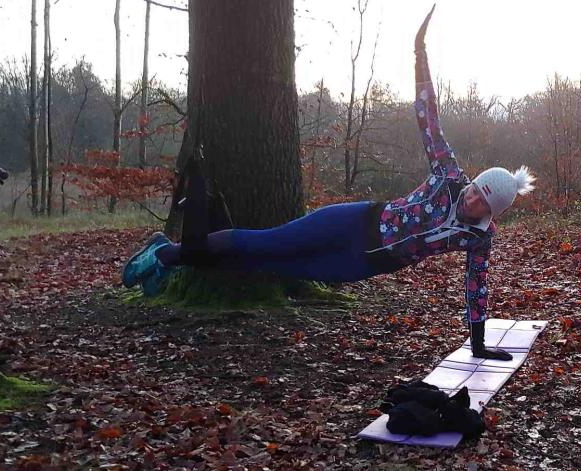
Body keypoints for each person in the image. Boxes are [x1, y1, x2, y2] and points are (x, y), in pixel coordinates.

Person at [122, 6, 535, 361]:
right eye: (478, 188)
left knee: (269, 265)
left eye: (483, 202)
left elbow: (476, 285)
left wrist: (479, 345)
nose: (473, 198)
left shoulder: (478, 239)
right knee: (267, 243)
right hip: (353, 222)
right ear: (475, 180)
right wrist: (419, 52)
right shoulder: (447, 174)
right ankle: (167, 255)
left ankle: (175, 254)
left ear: (491, 213)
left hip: (361, 264)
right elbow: (428, 115)